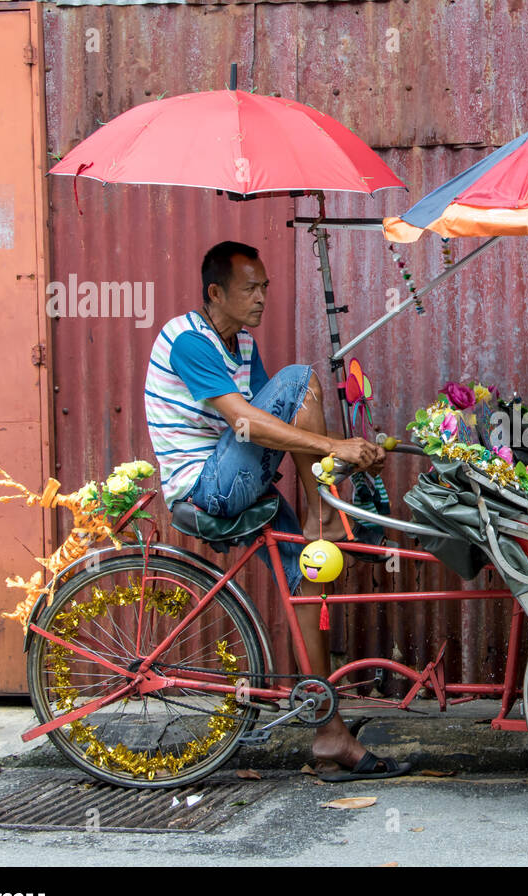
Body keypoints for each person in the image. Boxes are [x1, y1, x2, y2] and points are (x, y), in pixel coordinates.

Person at [143, 240, 410, 780]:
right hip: (206, 486)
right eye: (251, 288)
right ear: (216, 292)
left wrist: (350, 449)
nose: (263, 297)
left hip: (242, 479)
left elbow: (292, 427)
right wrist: (336, 451)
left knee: (309, 581)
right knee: (297, 379)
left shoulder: (239, 344)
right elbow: (249, 421)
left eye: (265, 286)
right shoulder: (188, 340)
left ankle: (330, 734)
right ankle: (328, 516)